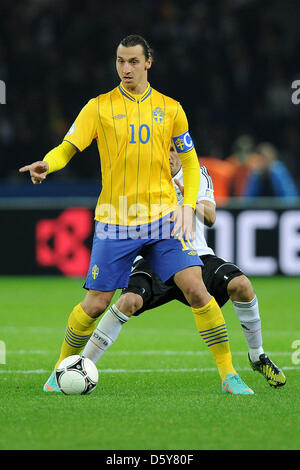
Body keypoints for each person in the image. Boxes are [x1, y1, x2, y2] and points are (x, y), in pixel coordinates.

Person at [19, 35, 253, 395]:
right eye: (119, 61)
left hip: (162, 219)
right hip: (115, 219)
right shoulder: (98, 107)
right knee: (96, 303)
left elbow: (190, 163)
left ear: (148, 63)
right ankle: (59, 370)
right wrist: (47, 164)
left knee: (197, 289)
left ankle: (229, 375)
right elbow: (69, 147)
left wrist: (188, 205)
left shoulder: (171, 108)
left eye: (132, 61)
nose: (125, 68)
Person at [82, 144, 286, 389]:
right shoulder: (142, 177)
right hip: (154, 255)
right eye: (162, 150)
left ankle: (257, 355)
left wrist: (190, 204)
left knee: (242, 285)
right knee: (128, 302)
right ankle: (81, 365)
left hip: (195, 254)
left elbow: (210, 217)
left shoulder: (196, 174)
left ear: (182, 152)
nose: (167, 156)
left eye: (172, 150)